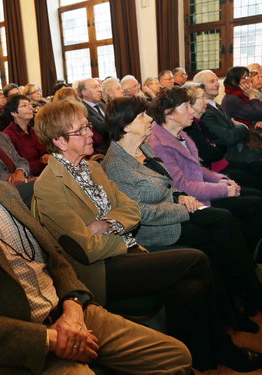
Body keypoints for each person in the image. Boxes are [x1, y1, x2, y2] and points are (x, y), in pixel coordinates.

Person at [0, 103, 193, 375]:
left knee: (176, 355)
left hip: (67, 311)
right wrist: (52, 338)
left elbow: (54, 256)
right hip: (19, 342)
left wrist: (74, 306)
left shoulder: (2, 191)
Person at [32, 98, 262, 372]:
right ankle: (227, 344)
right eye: (80, 131)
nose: (90, 134)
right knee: (197, 258)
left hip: (127, 250)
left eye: (86, 126)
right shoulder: (48, 185)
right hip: (101, 270)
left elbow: (130, 209)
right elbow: (86, 247)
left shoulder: (92, 168)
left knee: (191, 288)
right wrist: (121, 229)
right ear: (59, 141)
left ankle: (202, 357)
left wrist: (109, 223)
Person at [101, 96, 262, 317]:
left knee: (224, 225)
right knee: (220, 236)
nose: (149, 119)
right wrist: (182, 206)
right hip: (158, 230)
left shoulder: (144, 147)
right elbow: (139, 213)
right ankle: (240, 301)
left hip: (176, 210)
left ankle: (244, 296)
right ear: (127, 126)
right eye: (142, 116)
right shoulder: (115, 165)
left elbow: (169, 182)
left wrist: (179, 196)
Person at [147, 87, 262, 259]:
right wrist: (223, 190)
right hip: (195, 200)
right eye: (186, 107)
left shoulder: (180, 133)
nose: (192, 110)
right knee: (256, 205)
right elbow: (183, 186)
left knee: (256, 198)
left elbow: (197, 168)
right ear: (169, 113)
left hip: (204, 190)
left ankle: (247, 251)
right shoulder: (159, 143)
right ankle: (246, 255)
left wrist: (222, 180)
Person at [183, 83, 262, 190]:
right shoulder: (191, 126)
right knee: (254, 182)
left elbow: (219, 145)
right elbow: (213, 151)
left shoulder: (200, 122)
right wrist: (215, 147)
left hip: (223, 162)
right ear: (190, 103)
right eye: (202, 97)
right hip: (216, 169)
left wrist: (215, 147)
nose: (206, 102)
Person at [192, 69, 262, 167]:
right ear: (200, 87)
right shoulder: (204, 111)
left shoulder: (216, 105)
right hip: (230, 156)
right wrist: (242, 126)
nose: (217, 84)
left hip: (239, 149)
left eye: (217, 80)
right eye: (212, 81)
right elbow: (228, 138)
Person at [3, 95, 49, 176]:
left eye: (30, 104)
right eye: (24, 105)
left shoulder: (33, 130)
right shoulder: (8, 135)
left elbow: (44, 152)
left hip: (44, 173)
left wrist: (46, 156)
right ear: (14, 113)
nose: (30, 107)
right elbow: (15, 166)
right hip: (28, 177)